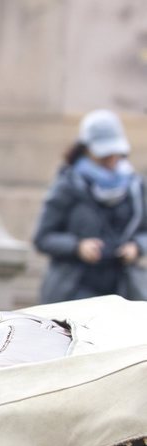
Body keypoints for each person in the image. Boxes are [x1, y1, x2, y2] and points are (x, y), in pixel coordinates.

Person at [34, 109, 147, 303]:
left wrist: (137, 247)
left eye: (115, 153)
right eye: (104, 154)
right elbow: (43, 237)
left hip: (123, 290)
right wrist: (77, 247)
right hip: (74, 291)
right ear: (86, 150)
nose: (111, 159)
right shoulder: (67, 185)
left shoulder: (135, 187)